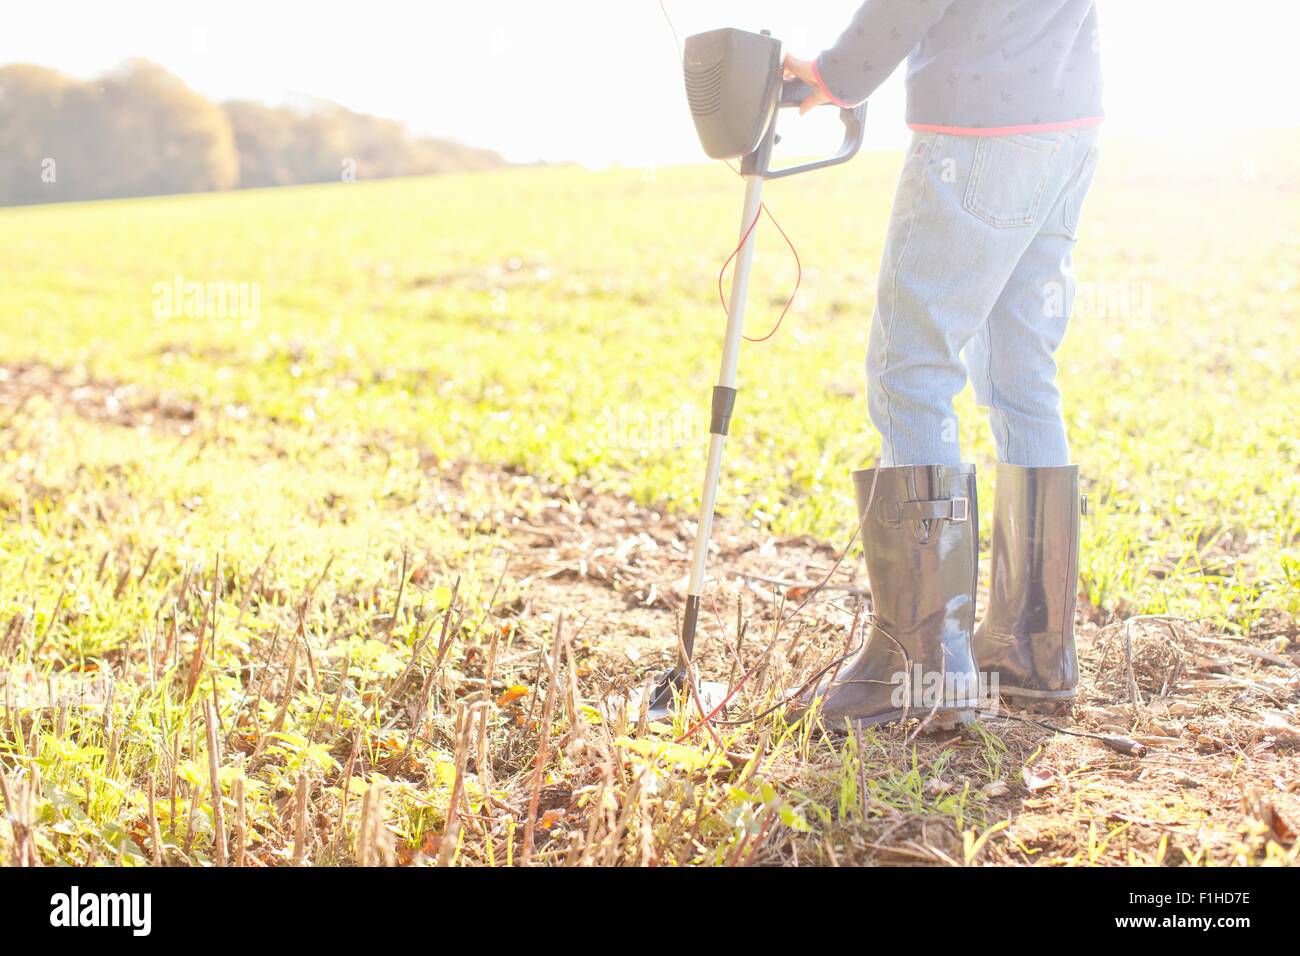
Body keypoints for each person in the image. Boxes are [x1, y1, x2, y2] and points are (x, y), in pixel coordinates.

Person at [784, 0, 1103, 728]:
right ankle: (1034, 651)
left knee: (912, 366)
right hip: (1068, 125)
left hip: (979, 129)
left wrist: (836, 75)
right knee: (1023, 372)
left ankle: (926, 667)